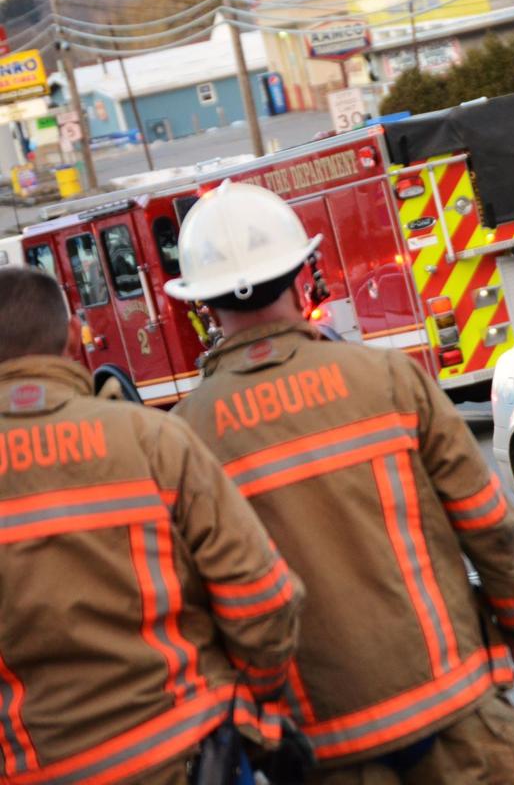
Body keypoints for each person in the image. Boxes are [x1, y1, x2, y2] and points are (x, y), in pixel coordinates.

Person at [166, 182, 514, 785]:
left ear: (201, 309)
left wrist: (260, 722)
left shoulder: (184, 437)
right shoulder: (388, 379)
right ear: (304, 277)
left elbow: (195, 611)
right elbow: (489, 524)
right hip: (455, 713)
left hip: (322, 744)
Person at [0, 267, 304, 785]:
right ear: (74, 338)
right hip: (188, 752)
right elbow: (264, 596)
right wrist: (253, 708)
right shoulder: (154, 440)